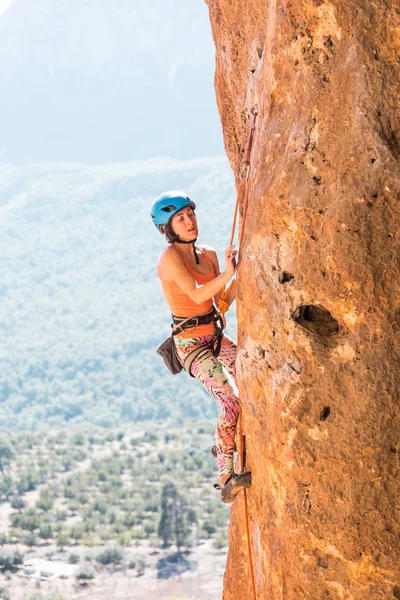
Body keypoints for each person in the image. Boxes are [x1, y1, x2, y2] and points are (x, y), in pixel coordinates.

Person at [151, 190, 251, 504]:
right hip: (191, 345)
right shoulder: (169, 259)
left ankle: (224, 440)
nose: (189, 221)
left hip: (215, 336)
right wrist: (227, 273)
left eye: (190, 214)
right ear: (168, 229)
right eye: (180, 218)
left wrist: (237, 271)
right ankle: (226, 478)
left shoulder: (207, 254)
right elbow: (196, 296)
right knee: (231, 401)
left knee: (252, 377)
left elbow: (219, 302)